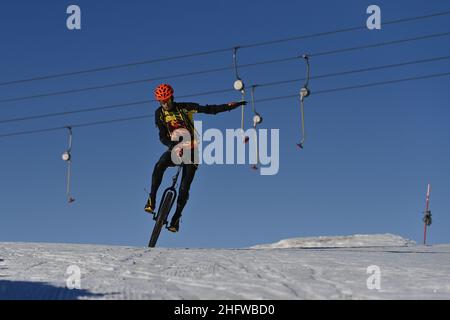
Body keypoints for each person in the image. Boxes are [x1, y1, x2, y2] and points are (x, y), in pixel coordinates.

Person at [145, 84, 246, 232]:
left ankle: (176, 218)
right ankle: (152, 199)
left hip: (192, 150)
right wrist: (173, 146)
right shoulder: (159, 113)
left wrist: (230, 106)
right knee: (160, 165)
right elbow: (162, 136)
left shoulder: (185, 107)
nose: (164, 104)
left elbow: (210, 110)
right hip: (176, 147)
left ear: (172, 97)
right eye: (161, 101)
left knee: (184, 187)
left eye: (166, 100)